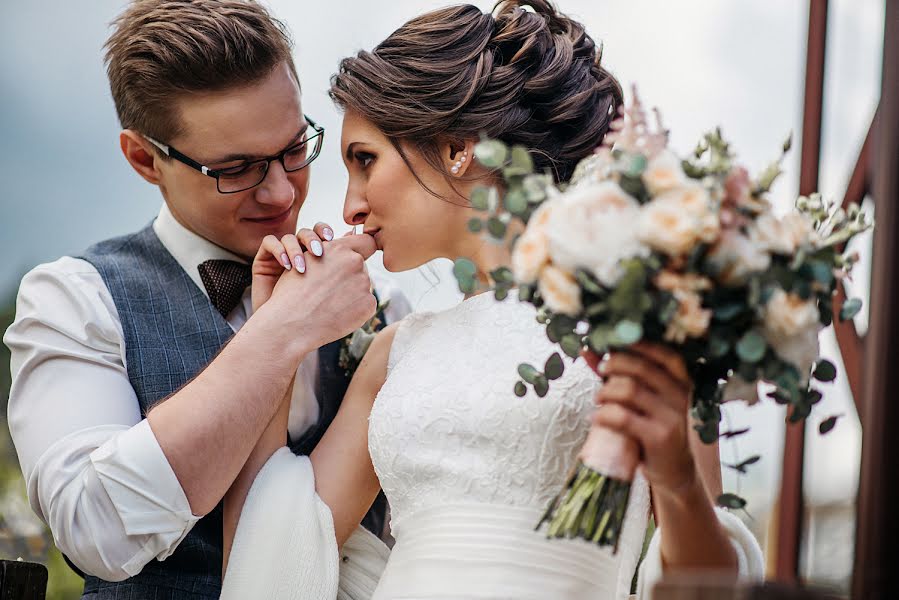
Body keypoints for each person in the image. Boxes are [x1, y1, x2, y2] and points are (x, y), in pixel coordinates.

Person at [222, 2, 765, 599]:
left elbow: (711, 587)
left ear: (458, 147)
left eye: (365, 160)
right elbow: (270, 559)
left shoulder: (645, 322)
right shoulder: (394, 353)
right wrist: (277, 332)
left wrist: (677, 481)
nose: (349, 206)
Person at [3, 1, 407, 598]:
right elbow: (97, 530)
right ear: (145, 160)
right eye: (235, 168)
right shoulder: (74, 299)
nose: (279, 191)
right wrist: (285, 329)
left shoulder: (379, 300)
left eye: (295, 149)